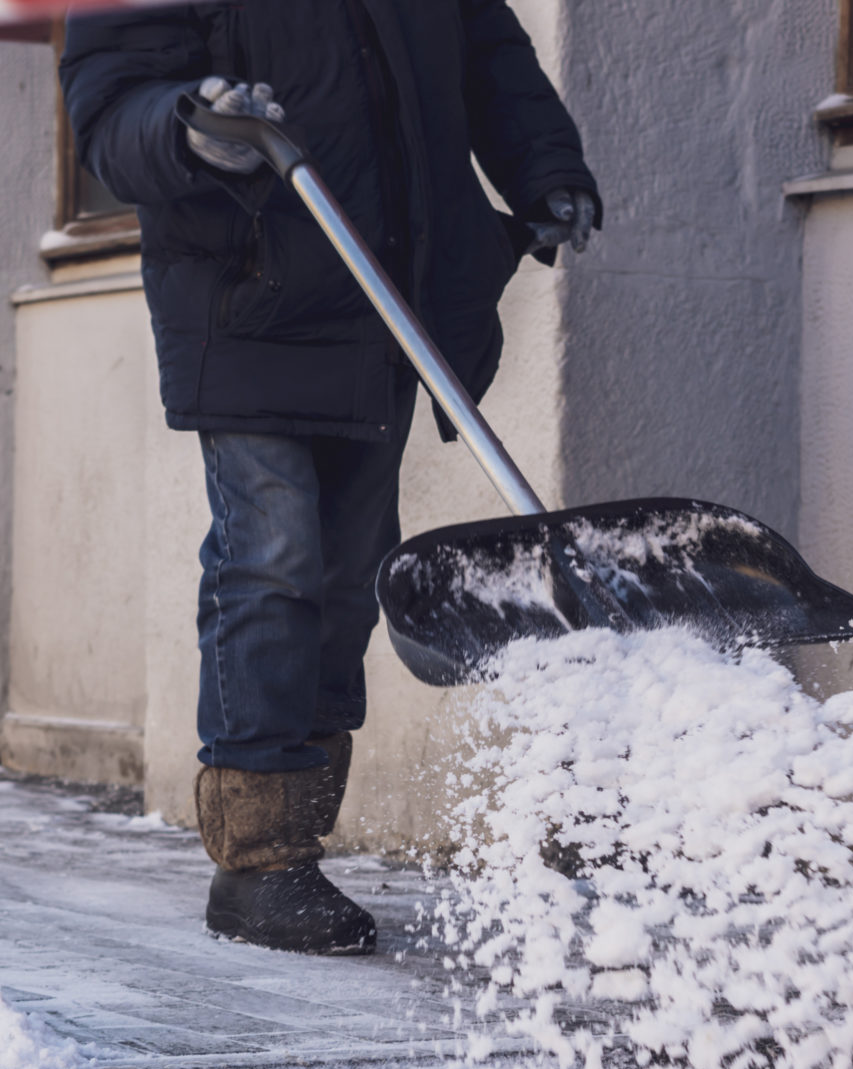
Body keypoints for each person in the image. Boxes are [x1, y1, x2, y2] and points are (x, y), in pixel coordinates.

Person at [61, 3, 600, 955]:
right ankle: (258, 861)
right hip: (246, 296)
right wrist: (193, 125)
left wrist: (546, 168)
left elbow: (487, 58)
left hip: (384, 297)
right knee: (272, 557)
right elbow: (110, 115)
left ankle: (298, 839)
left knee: (348, 575)